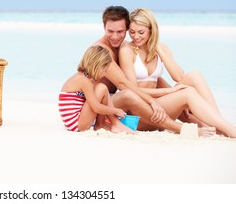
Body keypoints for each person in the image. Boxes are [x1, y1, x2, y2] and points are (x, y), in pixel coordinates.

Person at [118, 8, 236, 138]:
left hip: (161, 107)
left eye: (141, 32)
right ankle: (229, 129)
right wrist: (170, 92)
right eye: (132, 32)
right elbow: (133, 90)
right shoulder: (127, 51)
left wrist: (158, 48)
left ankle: (220, 124)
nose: (136, 37)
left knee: (194, 76)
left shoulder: (161, 48)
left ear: (151, 30)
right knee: (188, 92)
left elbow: (178, 76)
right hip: (142, 113)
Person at [58, 45, 133, 133]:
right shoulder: (84, 81)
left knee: (101, 88)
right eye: (105, 70)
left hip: (73, 122)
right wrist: (116, 111)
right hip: (77, 124)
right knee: (102, 88)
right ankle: (111, 124)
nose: (104, 74)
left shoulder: (82, 77)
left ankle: (104, 124)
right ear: (97, 66)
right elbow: (96, 107)